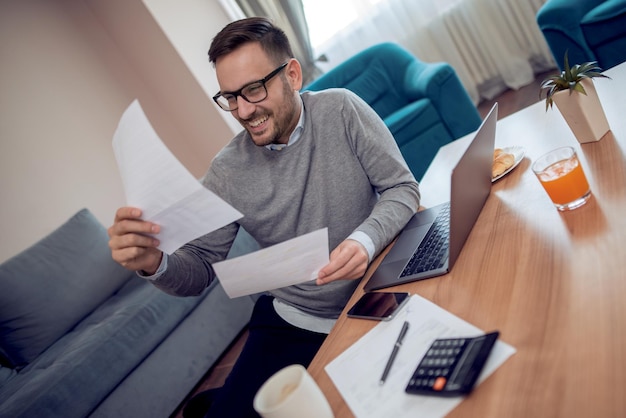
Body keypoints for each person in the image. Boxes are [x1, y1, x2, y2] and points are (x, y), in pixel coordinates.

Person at [108, 17, 420, 417]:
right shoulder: (227, 172)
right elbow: (200, 269)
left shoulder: (341, 109)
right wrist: (154, 264)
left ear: (292, 74)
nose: (242, 110)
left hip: (377, 290)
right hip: (294, 319)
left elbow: (402, 188)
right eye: (230, 97)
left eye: (254, 89)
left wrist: (365, 239)